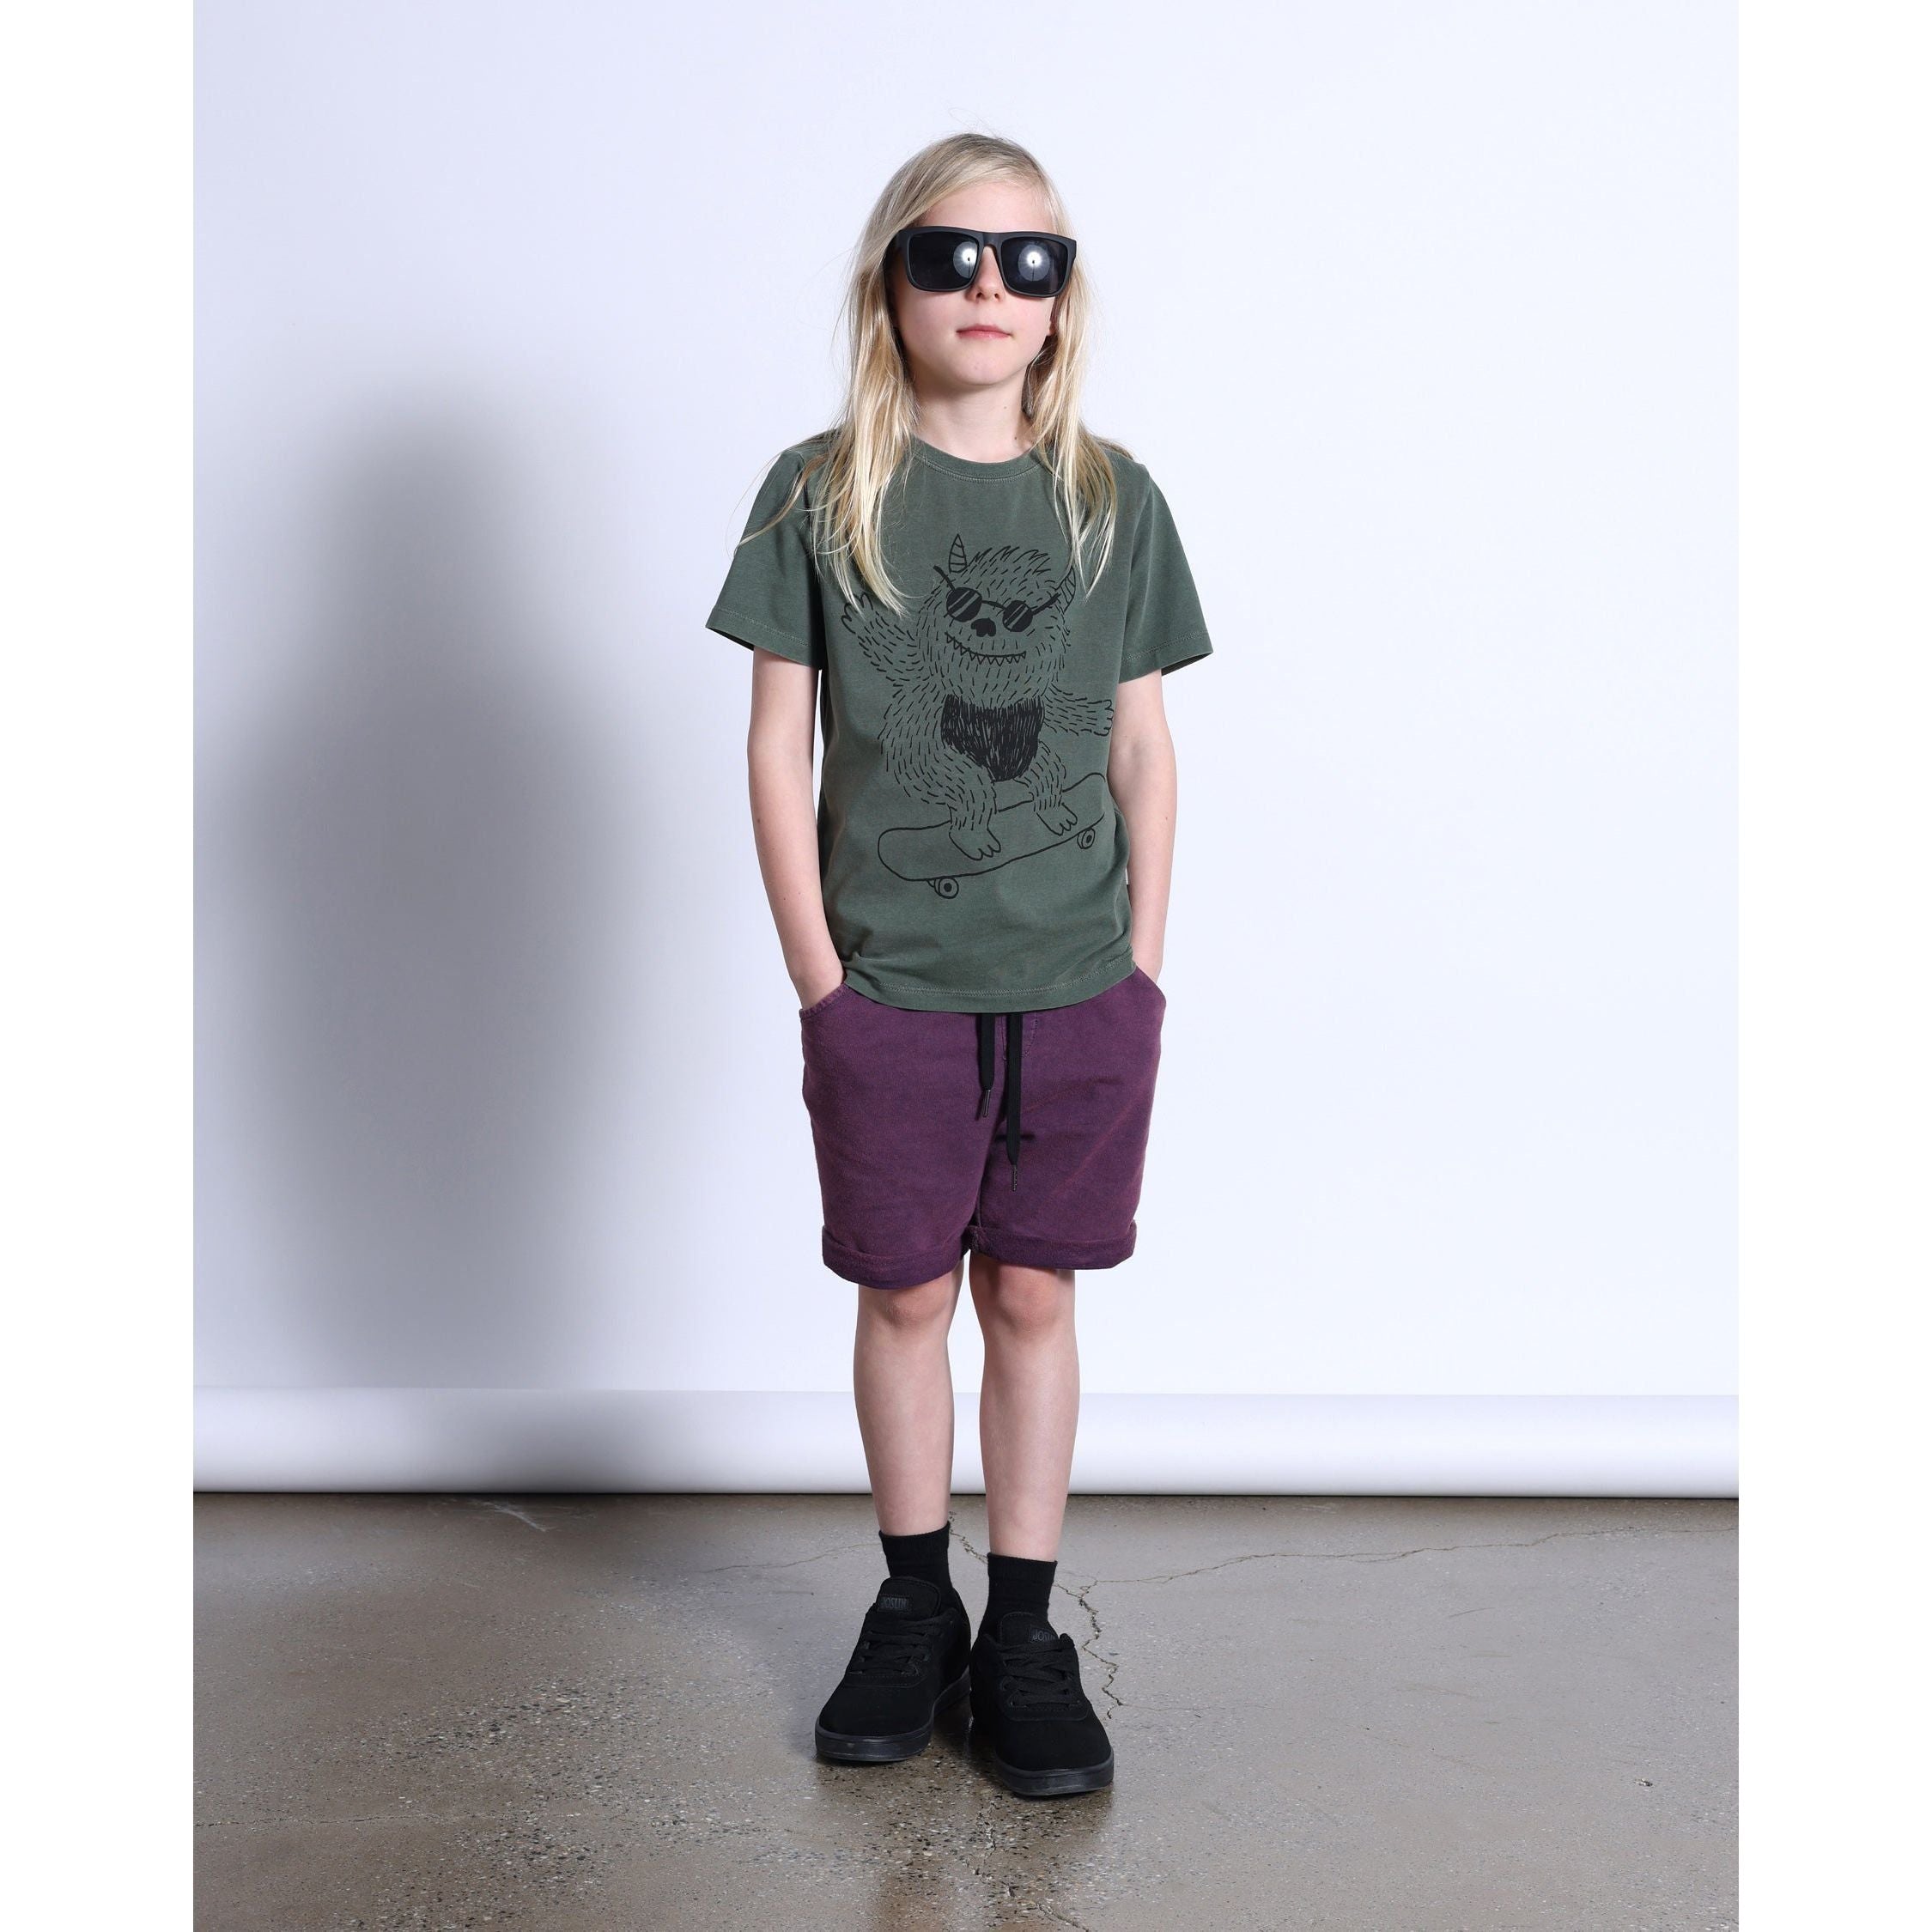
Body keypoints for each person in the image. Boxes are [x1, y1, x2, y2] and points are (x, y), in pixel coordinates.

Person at [703, 132, 1214, 1799]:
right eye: (949, 254)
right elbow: (776, 748)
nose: (989, 286)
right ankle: (913, 1603)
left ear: (1063, 302)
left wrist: (1139, 968)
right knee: (908, 1290)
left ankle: (1024, 1630)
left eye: (1028, 260)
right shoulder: (818, 491)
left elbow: (1143, 749)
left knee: (1035, 1294)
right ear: (891, 286)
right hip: (890, 988)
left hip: (1077, 987)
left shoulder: (1111, 499)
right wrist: (821, 979)